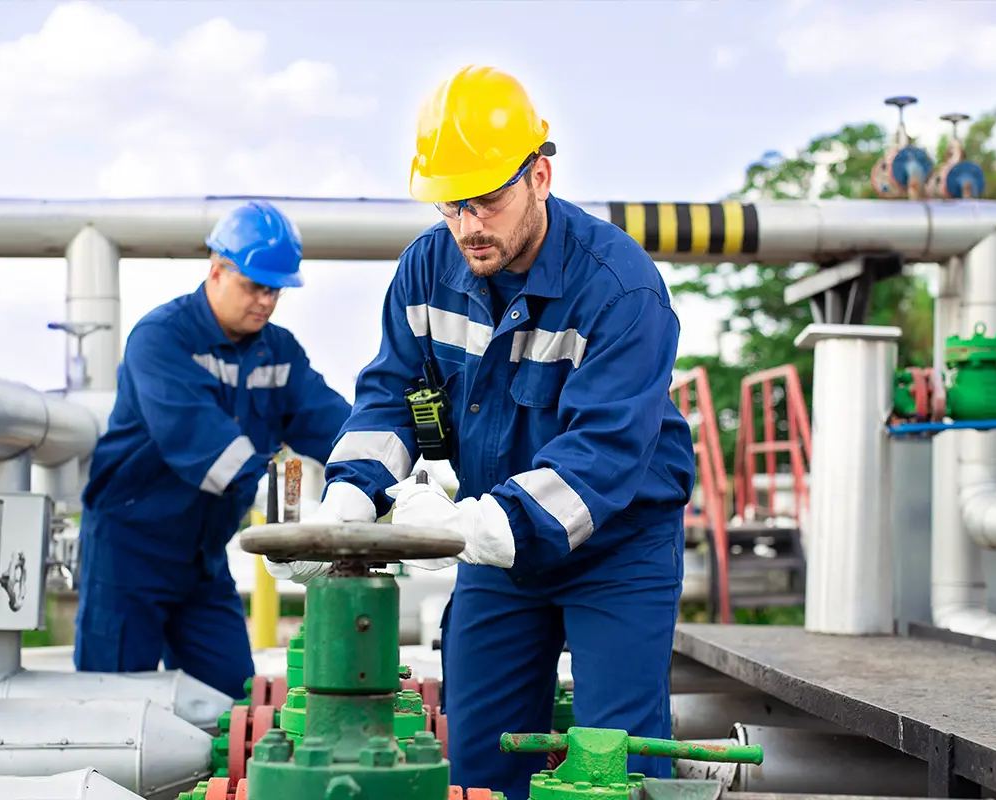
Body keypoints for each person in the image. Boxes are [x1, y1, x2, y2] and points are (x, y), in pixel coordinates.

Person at [266, 64, 695, 798]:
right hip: (497, 545)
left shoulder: (622, 290)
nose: (468, 226)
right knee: (478, 761)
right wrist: (348, 502)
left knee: (613, 767)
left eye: (487, 202)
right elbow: (391, 396)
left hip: (618, 549)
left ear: (540, 176)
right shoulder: (428, 268)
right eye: (450, 205)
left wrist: (471, 528)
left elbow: (602, 457)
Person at [74, 199, 352, 700]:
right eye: (254, 286)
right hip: (129, 556)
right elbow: (200, 441)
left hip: (203, 561)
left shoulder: (279, 352)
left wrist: (384, 466)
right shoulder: (161, 339)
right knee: (112, 708)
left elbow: (330, 423)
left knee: (232, 704)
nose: (266, 301)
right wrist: (286, 503)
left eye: (276, 291)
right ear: (217, 271)